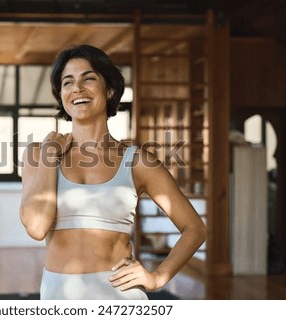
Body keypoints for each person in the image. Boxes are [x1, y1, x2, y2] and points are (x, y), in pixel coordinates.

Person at [20, 44, 207, 300]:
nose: (77, 88)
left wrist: (157, 277)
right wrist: (50, 156)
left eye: (89, 79)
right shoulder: (38, 154)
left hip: (120, 297)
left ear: (108, 90)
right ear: (61, 94)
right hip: (58, 296)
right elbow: (36, 228)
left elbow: (194, 228)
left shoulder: (138, 162)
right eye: (67, 82)